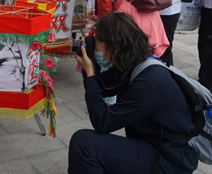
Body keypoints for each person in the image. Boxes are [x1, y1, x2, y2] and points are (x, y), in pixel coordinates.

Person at [69, 12, 199, 174]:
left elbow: (102, 122)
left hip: (168, 160)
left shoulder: (148, 82)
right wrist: (89, 61)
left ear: (115, 47)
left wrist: (90, 74)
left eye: (97, 42)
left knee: (83, 144)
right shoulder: (135, 63)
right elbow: (106, 86)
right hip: (154, 146)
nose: (94, 45)